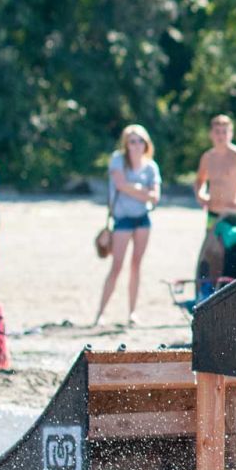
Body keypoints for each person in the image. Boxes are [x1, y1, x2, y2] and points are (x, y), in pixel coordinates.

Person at [94, 125, 162, 327]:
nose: (137, 144)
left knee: (136, 265)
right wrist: (143, 191)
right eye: (132, 141)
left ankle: (132, 312)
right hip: (122, 219)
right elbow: (120, 185)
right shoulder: (117, 160)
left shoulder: (151, 167)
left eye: (140, 140)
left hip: (143, 219)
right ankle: (100, 313)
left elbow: (155, 197)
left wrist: (134, 190)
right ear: (126, 143)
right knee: (116, 266)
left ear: (146, 143)